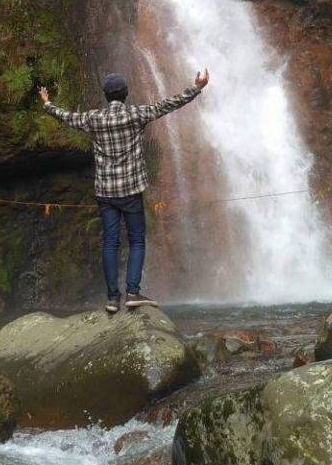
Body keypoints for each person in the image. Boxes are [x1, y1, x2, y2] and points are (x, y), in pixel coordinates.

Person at [38, 68, 210, 313]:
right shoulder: (136, 114)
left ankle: (111, 298)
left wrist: (47, 104)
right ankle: (132, 291)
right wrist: (197, 87)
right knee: (137, 240)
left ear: (106, 96)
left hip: (106, 192)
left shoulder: (93, 118)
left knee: (110, 242)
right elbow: (169, 104)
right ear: (126, 93)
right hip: (130, 190)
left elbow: (66, 117)